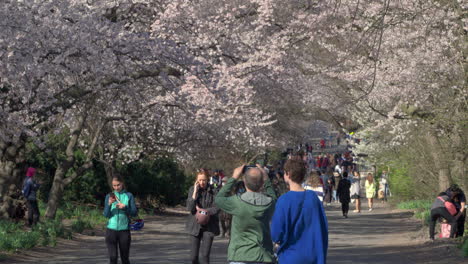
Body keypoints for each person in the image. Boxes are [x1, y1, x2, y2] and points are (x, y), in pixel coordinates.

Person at [215, 165, 276, 264]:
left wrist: (234, 177)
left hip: (240, 255)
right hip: (263, 256)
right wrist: (266, 179)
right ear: (261, 183)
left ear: (244, 181)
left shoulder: (236, 202)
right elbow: (273, 196)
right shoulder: (269, 203)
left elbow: (219, 199)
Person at [271, 159, 328, 264]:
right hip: (313, 255)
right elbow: (323, 227)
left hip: (290, 256)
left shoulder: (283, 200)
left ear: (288, 174)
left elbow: (276, 233)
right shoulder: (313, 198)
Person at [186, 170, 220, 264]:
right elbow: (190, 208)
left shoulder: (214, 191)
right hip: (195, 225)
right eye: (200, 180)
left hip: (209, 225)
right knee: (193, 257)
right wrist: (194, 194)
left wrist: (204, 212)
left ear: (208, 179)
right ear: (196, 180)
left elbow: (217, 207)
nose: (202, 182)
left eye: (204, 180)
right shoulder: (192, 189)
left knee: (205, 256)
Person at [103, 175, 138, 264]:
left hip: (124, 231)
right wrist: (109, 204)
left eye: (118, 185)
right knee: (113, 258)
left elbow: (134, 213)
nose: (116, 187)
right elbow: (106, 215)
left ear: (122, 183)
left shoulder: (129, 195)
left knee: (125, 258)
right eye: (114, 185)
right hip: (111, 231)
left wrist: (125, 207)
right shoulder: (109, 196)